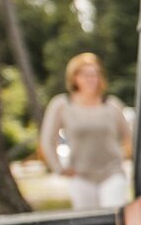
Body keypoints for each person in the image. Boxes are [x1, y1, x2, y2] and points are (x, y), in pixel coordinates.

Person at [40, 52, 133, 210]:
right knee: (89, 222)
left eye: (95, 74)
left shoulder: (112, 105)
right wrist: (58, 168)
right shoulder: (62, 105)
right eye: (86, 74)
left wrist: (123, 155)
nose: (92, 79)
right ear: (74, 77)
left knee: (112, 217)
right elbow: (47, 140)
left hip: (111, 173)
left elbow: (130, 137)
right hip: (80, 175)